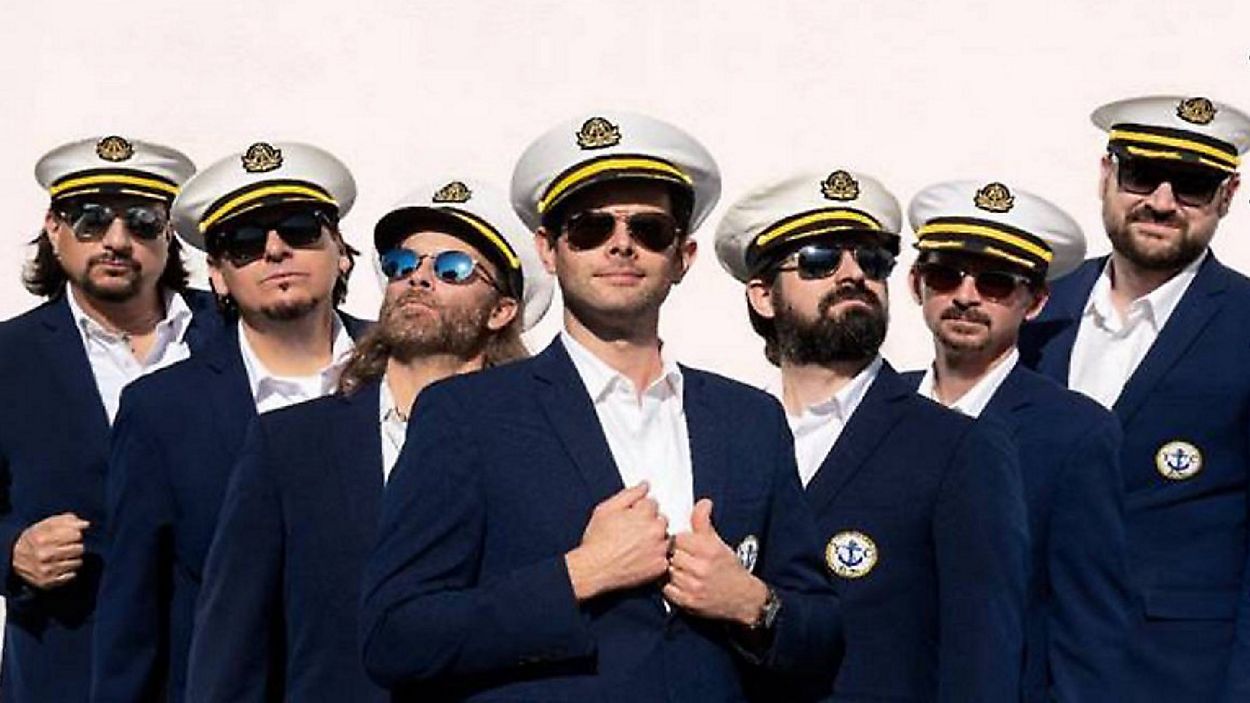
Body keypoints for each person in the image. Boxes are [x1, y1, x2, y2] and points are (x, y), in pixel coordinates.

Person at [360, 112, 842, 701]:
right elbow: (395, 635)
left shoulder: (749, 420)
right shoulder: (466, 415)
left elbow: (823, 637)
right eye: (589, 228)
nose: (621, 244)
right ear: (548, 250)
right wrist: (579, 575)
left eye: (650, 229)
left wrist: (752, 603)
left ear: (683, 256)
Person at [185, 177, 554, 702]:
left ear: (502, 310)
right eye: (402, 265)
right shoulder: (289, 445)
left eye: (452, 268)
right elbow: (232, 649)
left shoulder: (539, 449)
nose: (418, 279)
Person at [715, 168, 1029, 701]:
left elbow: (983, 659)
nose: (853, 274)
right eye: (820, 259)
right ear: (763, 296)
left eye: (872, 261)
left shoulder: (957, 446)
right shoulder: (724, 434)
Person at [90, 142, 370, 703]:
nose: (275, 250)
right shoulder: (162, 411)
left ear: (341, 252)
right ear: (216, 275)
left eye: (301, 230)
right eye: (244, 242)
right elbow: (131, 616)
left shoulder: (412, 370)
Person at [1018, 95, 1250, 702]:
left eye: (1192, 185)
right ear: (1107, 175)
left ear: (1228, 195)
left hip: (1175, 677)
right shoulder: (1032, 310)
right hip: (1025, 667)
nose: (1162, 202)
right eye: (1142, 174)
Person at [0, 135, 216, 702]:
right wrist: (12, 551)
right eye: (91, 219)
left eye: (142, 221)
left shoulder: (237, 333)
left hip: (217, 666)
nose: (117, 240)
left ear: (169, 234)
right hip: (69, 668)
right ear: (54, 228)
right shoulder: (9, 358)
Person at [905, 180, 1131, 700]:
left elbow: (1089, 631)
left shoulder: (1075, 434)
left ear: (1036, 301)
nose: (966, 296)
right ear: (917, 283)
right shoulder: (880, 406)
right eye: (945, 275)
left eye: (996, 283)